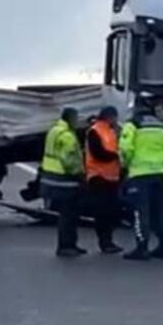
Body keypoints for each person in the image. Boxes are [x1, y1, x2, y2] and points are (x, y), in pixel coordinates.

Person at [119, 104, 163, 260]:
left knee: (140, 212)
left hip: (139, 174)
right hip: (160, 174)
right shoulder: (162, 126)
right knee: (160, 211)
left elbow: (125, 147)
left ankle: (142, 248)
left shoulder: (133, 124)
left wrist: (125, 164)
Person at [40, 106, 86, 257]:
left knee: (65, 215)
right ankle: (67, 246)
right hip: (65, 180)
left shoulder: (54, 131)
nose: (77, 121)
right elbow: (69, 160)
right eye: (76, 118)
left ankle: (69, 245)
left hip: (51, 176)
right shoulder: (67, 136)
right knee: (69, 216)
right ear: (70, 118)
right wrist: (79, 174)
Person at [84, 106, 123, 254]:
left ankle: (108, 240)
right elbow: (98, 153)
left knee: (111, 211)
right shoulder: (95, 131)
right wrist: (116, 156)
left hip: (111, 177)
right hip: (98, 177)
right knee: (102, 212)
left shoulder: (111, 131)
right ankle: (105, 242)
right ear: (110, 117)